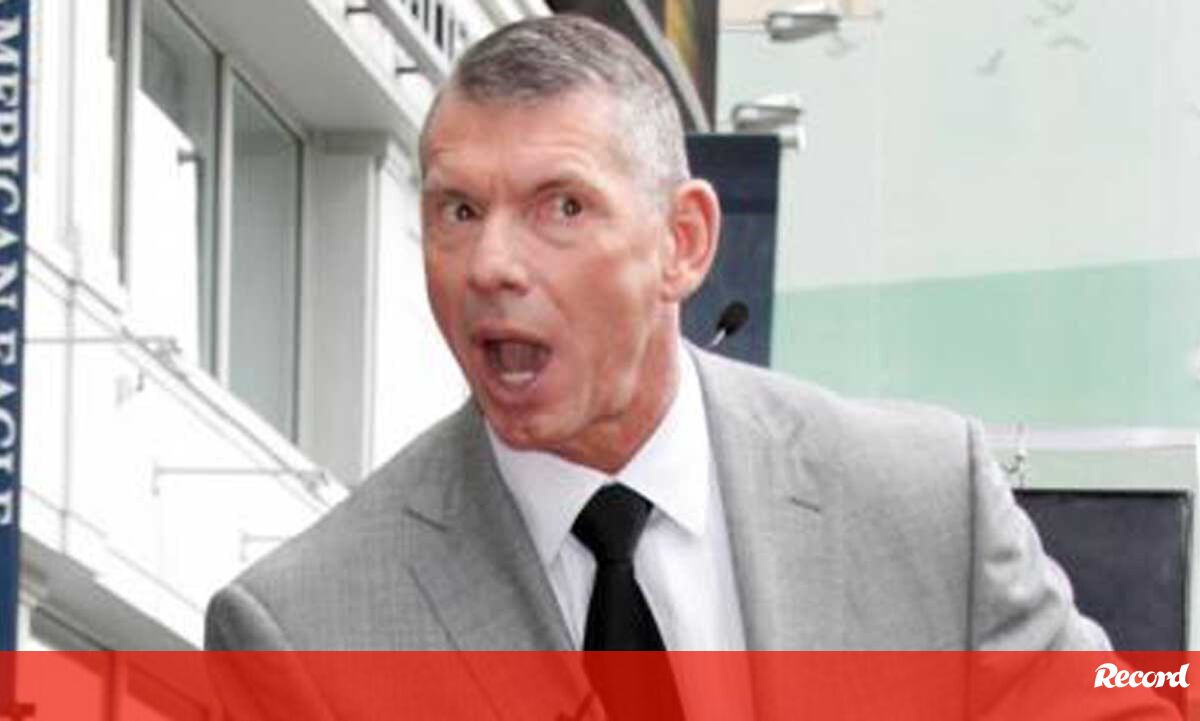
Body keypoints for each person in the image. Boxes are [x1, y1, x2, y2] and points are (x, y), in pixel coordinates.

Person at [205, 13, 1132, 721]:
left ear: (682, 242)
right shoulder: (301, 631)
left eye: (561, 207)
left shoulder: (925, 503)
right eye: (458, 211)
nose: (491, 264)